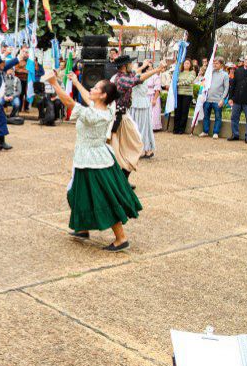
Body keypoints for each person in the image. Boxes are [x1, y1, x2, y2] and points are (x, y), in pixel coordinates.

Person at [50, 70, 142, 251]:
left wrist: (54, 84)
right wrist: (76, 82)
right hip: (88, 158)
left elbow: (69, 102)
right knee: (78, 193)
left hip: (94, 161)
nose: (91, 89)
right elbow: (87, 98)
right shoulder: (101, 108)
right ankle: (83, 228)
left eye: (96, 88)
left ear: (104, 95)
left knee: (103, 198)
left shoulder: (96, 115)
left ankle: (121, 238)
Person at [199, 57, 230, 138]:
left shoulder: (225, 75)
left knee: (218, 116)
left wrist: (222, 99)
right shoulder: (210, 73)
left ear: (221, 64)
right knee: (206, 116)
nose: (215, 65)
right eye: (214, 63)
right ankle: (205, 131)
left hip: (217, 100)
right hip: (207, 99)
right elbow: (203, 82)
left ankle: (216, 132)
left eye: (217, 63)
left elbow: (226, 88)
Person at [148, 61, 164, 132]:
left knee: (154, 111)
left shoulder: (155, 76)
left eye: (150, 67)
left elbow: (158, 89)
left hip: (153, 95)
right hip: (146, 95)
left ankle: (154, 126)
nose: (148, 68)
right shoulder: (144, 75)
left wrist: (155, 99)